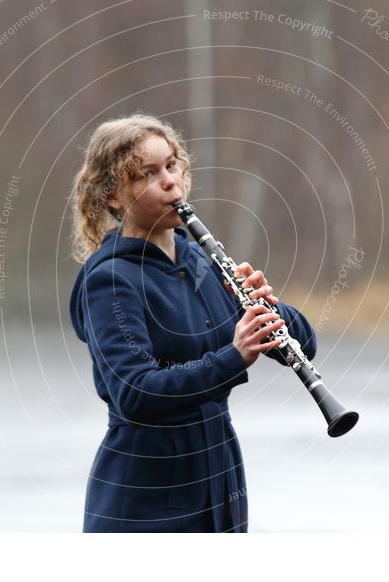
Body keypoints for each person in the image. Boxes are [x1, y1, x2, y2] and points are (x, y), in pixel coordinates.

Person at [69, 113, 317, 532]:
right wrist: (233, 357)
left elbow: (303, 346)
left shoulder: (201, 260)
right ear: (113, 197)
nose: (170, 181)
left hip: (219, 492)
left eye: (171, 165)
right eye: (147, 174)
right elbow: (135, 392)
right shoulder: (110, 280)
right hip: (145, 505)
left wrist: (268, 307)